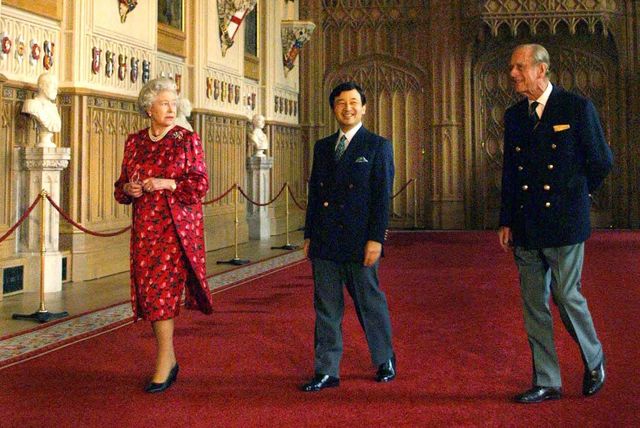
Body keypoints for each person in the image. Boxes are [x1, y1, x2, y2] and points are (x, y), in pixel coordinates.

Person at [498, 44, 613, 404]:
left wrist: (576, 196)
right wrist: (506, 220)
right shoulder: (515, 116)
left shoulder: (576, 108)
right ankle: (547, 380)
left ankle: (594, 358)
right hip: (526, 224)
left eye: (520, 67)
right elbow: (510, 174)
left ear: (541, 70)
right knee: (534, 304)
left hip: (564, 223)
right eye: (512, 68)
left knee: (565, 295)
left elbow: (601, 161)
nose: (513, 74)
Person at [114, 77, 213, 393]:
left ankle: (164, 360)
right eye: (164, 103)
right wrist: (129, 189)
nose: (172, 108)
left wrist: (166, 183)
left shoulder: (187, 139)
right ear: (149, 107)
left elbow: (199, 185)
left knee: (163, 292)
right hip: (145, 228)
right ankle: (168, 359)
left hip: (175, 228)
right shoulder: (134, 142)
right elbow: (120, 189)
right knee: (151, 291)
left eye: (174, 102)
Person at [300, 81, 396, 392]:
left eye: (353, 101)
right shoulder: (323, 147)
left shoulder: (377, 146)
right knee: (326, 307)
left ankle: (385, 359)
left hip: (360, 240)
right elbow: (315, 193)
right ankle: (326, 370)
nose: (347, 107)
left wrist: (376, 239)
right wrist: (309, 235)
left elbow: (382, 198)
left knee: (369, 302)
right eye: (341, 102)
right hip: (326, 240)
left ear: (364, 107)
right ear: (333, 109)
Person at [22, 72, 61, 147]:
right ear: (41, 86)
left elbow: (56, 126)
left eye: (56, 86)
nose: (55, 89)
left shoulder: (53, 107)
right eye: (52, 85)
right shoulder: (32, 105)